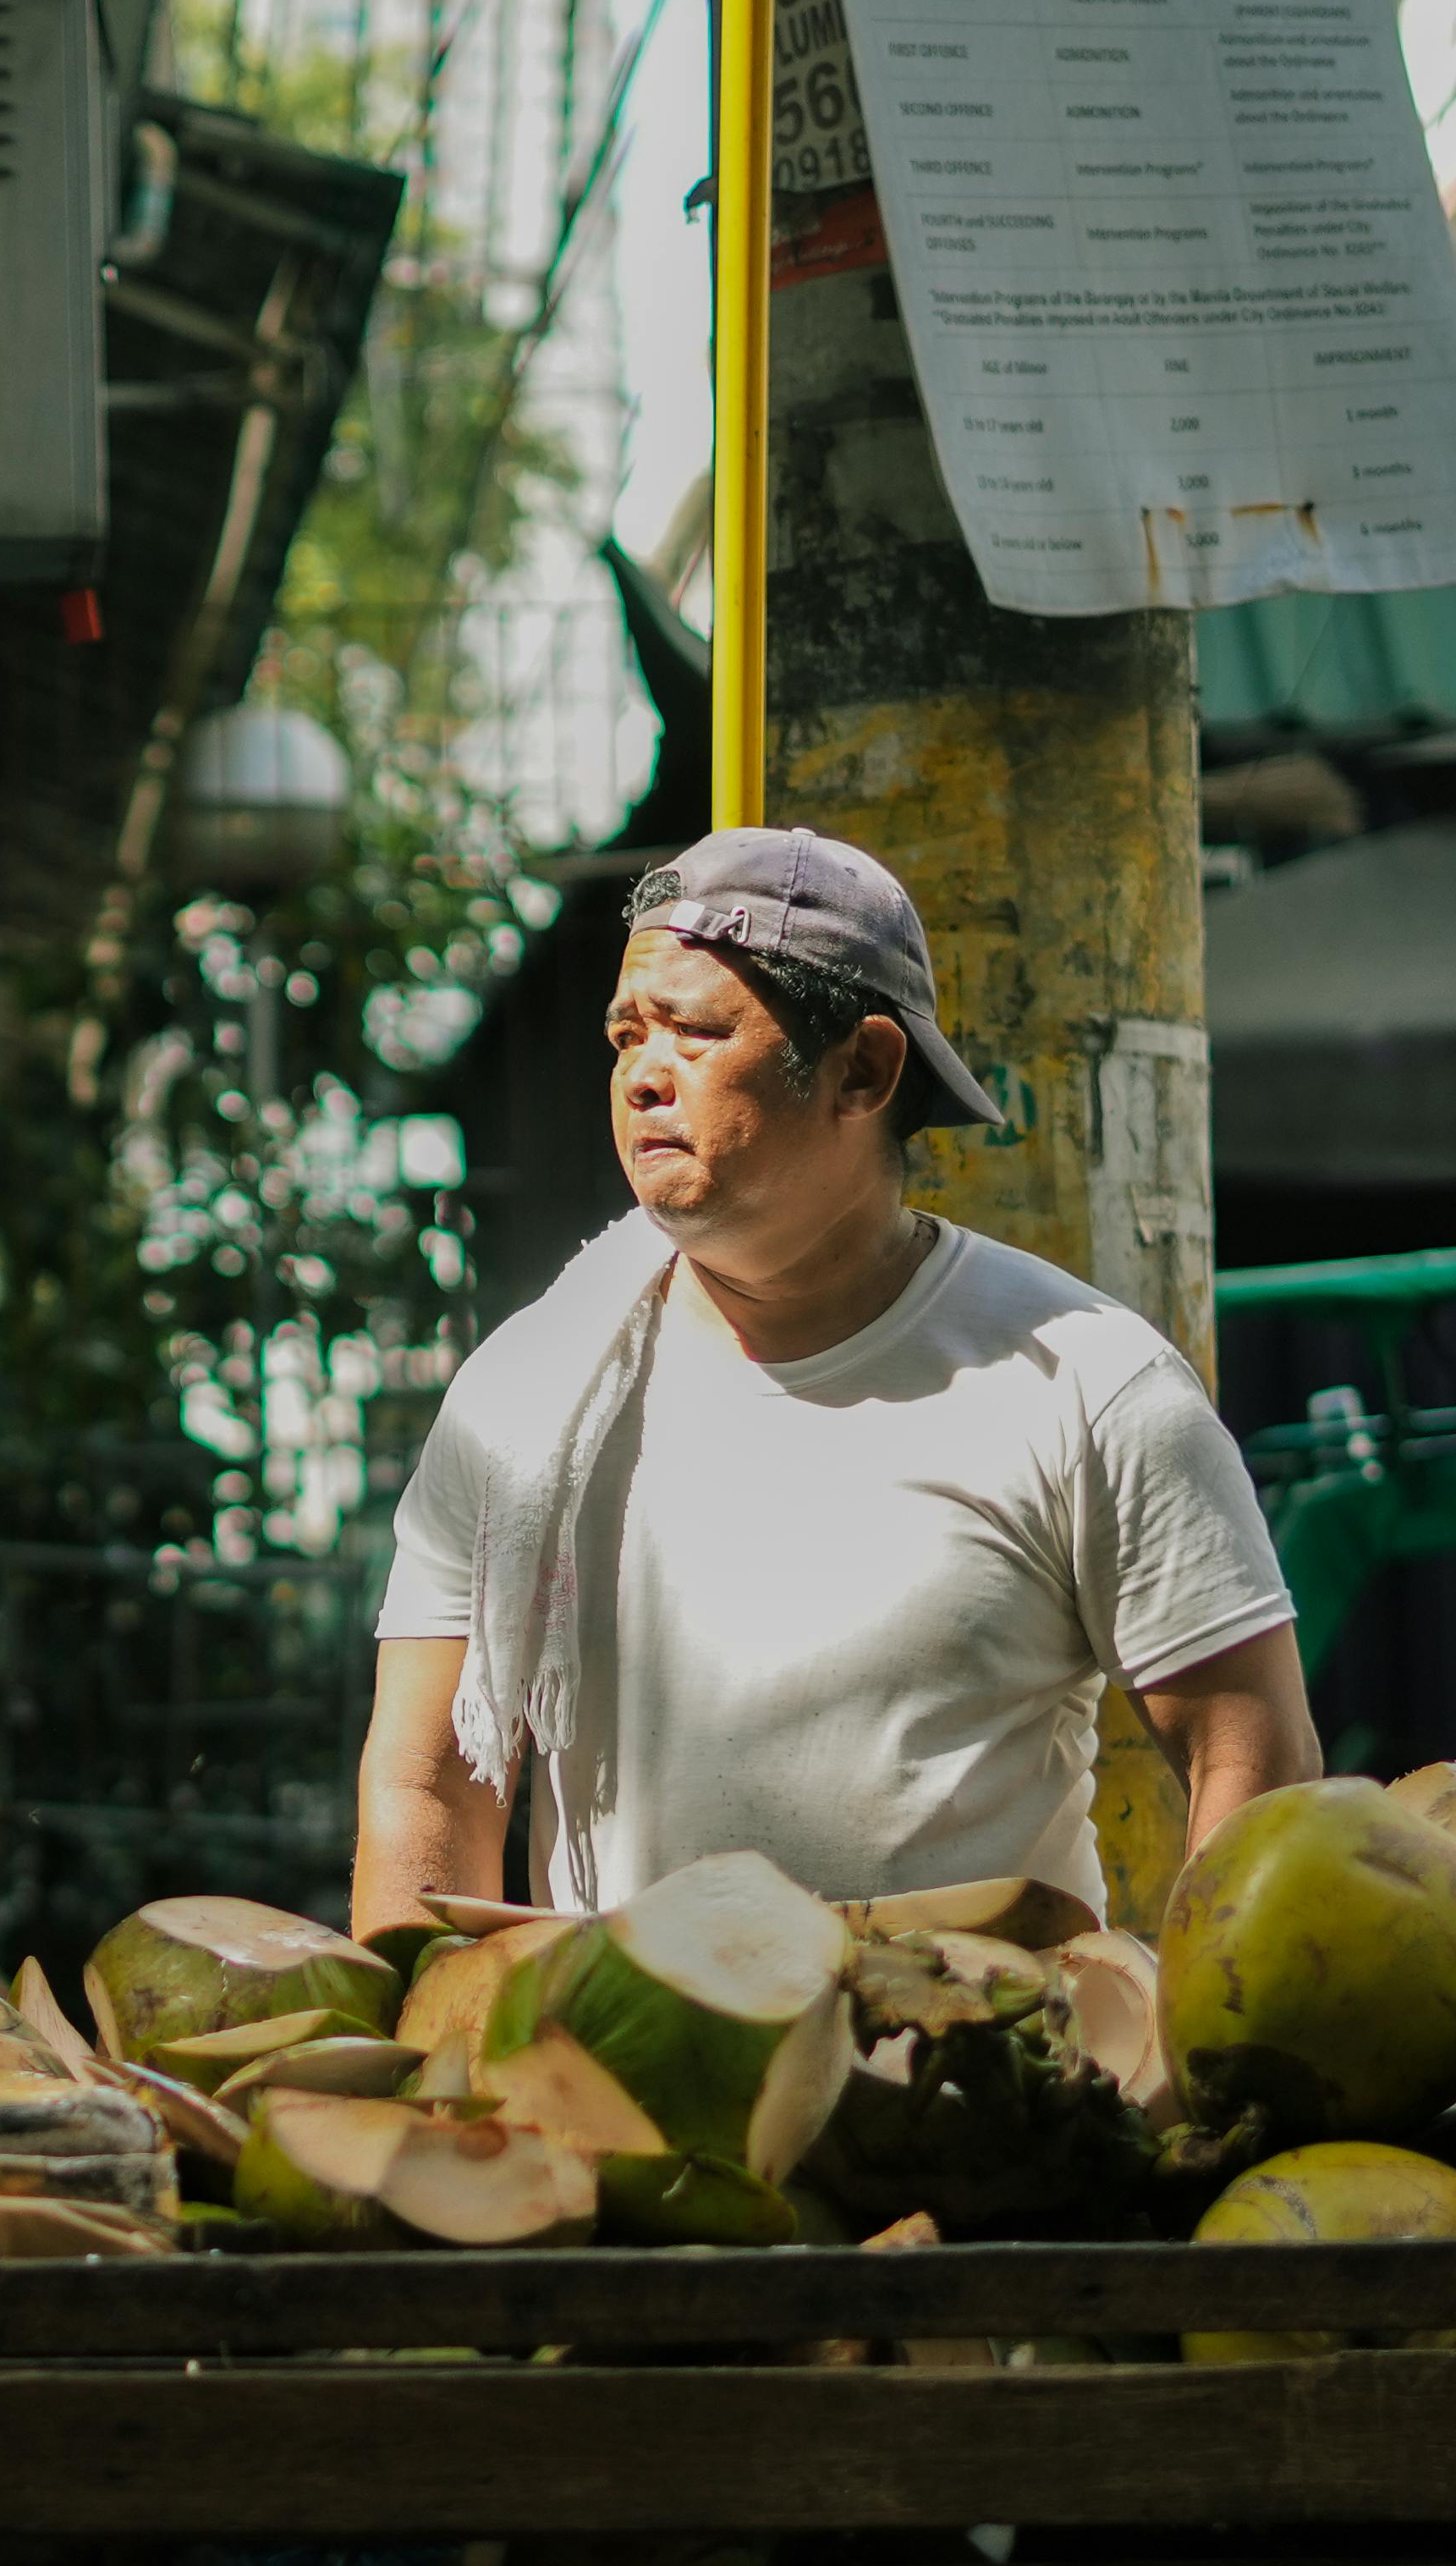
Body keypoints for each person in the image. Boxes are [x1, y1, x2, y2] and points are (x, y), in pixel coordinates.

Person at [354, 827, 1317, 1939]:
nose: (643, 1077)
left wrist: (1197, 2051)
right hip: (619, 2086)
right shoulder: (521, 1405)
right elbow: (426, 1788)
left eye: (698, 1032)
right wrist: (415, 2065)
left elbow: (1255, 1758)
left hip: (978, 2079)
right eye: (627, 1036)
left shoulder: (1084, 1384)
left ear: (863, 1069)